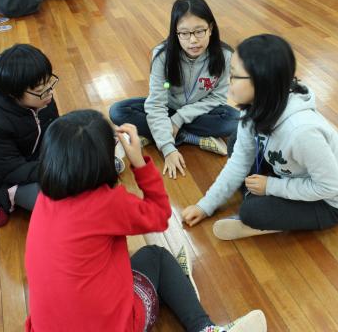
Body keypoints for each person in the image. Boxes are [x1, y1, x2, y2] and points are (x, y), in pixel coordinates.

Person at [25, 110, 267, 332]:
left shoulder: (44, 198)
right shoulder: (107, 203)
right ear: (104, 160)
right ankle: (205, 329)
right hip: (116, 327)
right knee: (157, 256)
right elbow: (160, 215)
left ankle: (173, 288)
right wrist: (139, 162)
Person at [181, 34, 338, 241]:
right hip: (291, 173)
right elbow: (239, 163)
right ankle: (268, 205)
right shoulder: (254, 108)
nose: (227, 82)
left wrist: (271, 186)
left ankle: (267, 214)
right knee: (236, 142)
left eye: (234, 76)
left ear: (262, 82)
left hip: (330, 202)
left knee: (251, 211)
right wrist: (205, 206)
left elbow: (330, 187)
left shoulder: (302, 132)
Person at [109, 0, 239, 179]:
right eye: (184, 33)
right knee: (118, 111)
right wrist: (168, 149)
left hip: (198, 113)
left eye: (199, 31)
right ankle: (191, 138)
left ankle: (157, 134)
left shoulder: (225, 55)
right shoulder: (162, 55)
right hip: (167, 109)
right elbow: (156, 104)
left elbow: (217, 98)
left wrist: (178, 119)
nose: (193, 40)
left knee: (236, 121)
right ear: (175, 33)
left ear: (210, 28)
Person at [0, 44, 59, 227]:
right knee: (59, 206)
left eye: (49, 82)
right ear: (13, 93)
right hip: (1, 178)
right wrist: (59, 169)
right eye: (41, 89)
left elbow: (53, 128)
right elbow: (11, 171)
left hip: (31, 158)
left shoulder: (39, 94)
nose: (49, 91)